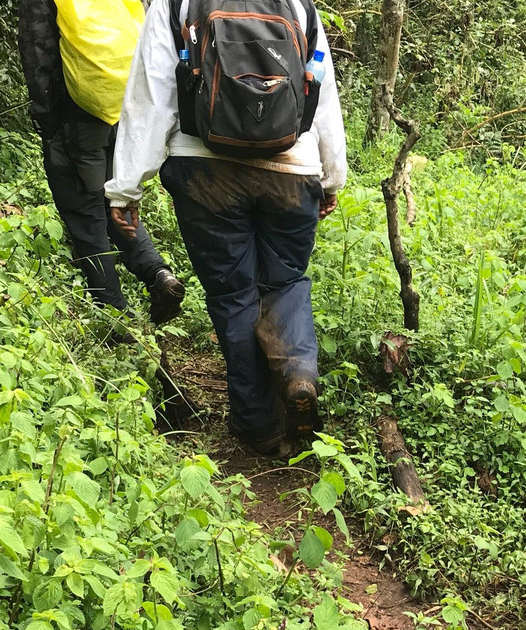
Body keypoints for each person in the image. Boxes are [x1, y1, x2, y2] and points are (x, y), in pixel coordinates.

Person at [106, 0, 346, 455]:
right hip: (293, 168)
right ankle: (297, 373)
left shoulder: (175, 4)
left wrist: (126, 188)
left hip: (204, 170)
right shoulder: (300, 5)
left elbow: (151, 97)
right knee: (285, 281)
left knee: (233, 296)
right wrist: (331, 176)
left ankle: (258, 427)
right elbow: (322, 90)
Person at [18, 0, 186, 329]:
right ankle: (159, 274)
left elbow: (37, 50)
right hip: (125, 102)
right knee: (117, 197)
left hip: (78, 115)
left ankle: (114, 319)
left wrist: (48, 120)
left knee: (85, 213)